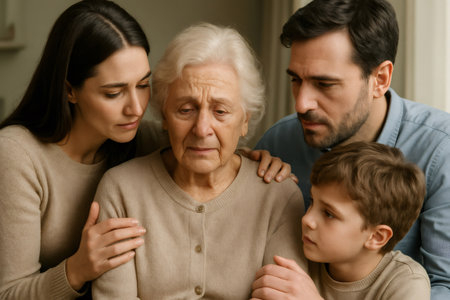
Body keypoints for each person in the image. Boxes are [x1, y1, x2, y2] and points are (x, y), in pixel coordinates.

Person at [0, 1, 288, 299]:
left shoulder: (142, 138)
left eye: (142, 85)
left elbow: (205, 141)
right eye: (114, 92)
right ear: (69, 90)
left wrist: (256, 158)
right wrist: (77, 269)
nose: (137, 109)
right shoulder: (16, 155)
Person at [91, 23, 306, 299]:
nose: (202, 128)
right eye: (186, 109)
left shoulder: (279, 196)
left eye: (220, 111)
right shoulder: (122, 190)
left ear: (245, 121)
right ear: (164, 116)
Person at [254, 0, 450, 298]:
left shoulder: (441, 149)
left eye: (325, 84)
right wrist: (237, 169)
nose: (301, 104)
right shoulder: (279, 143)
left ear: (379, 79)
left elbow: (445, 285)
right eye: (296, 80)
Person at [252, 142, 430, 299]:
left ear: (376, 237)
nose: (307, 219)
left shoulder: (407, 281)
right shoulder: (300, 250)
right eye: (312, 202)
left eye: (329, 214)